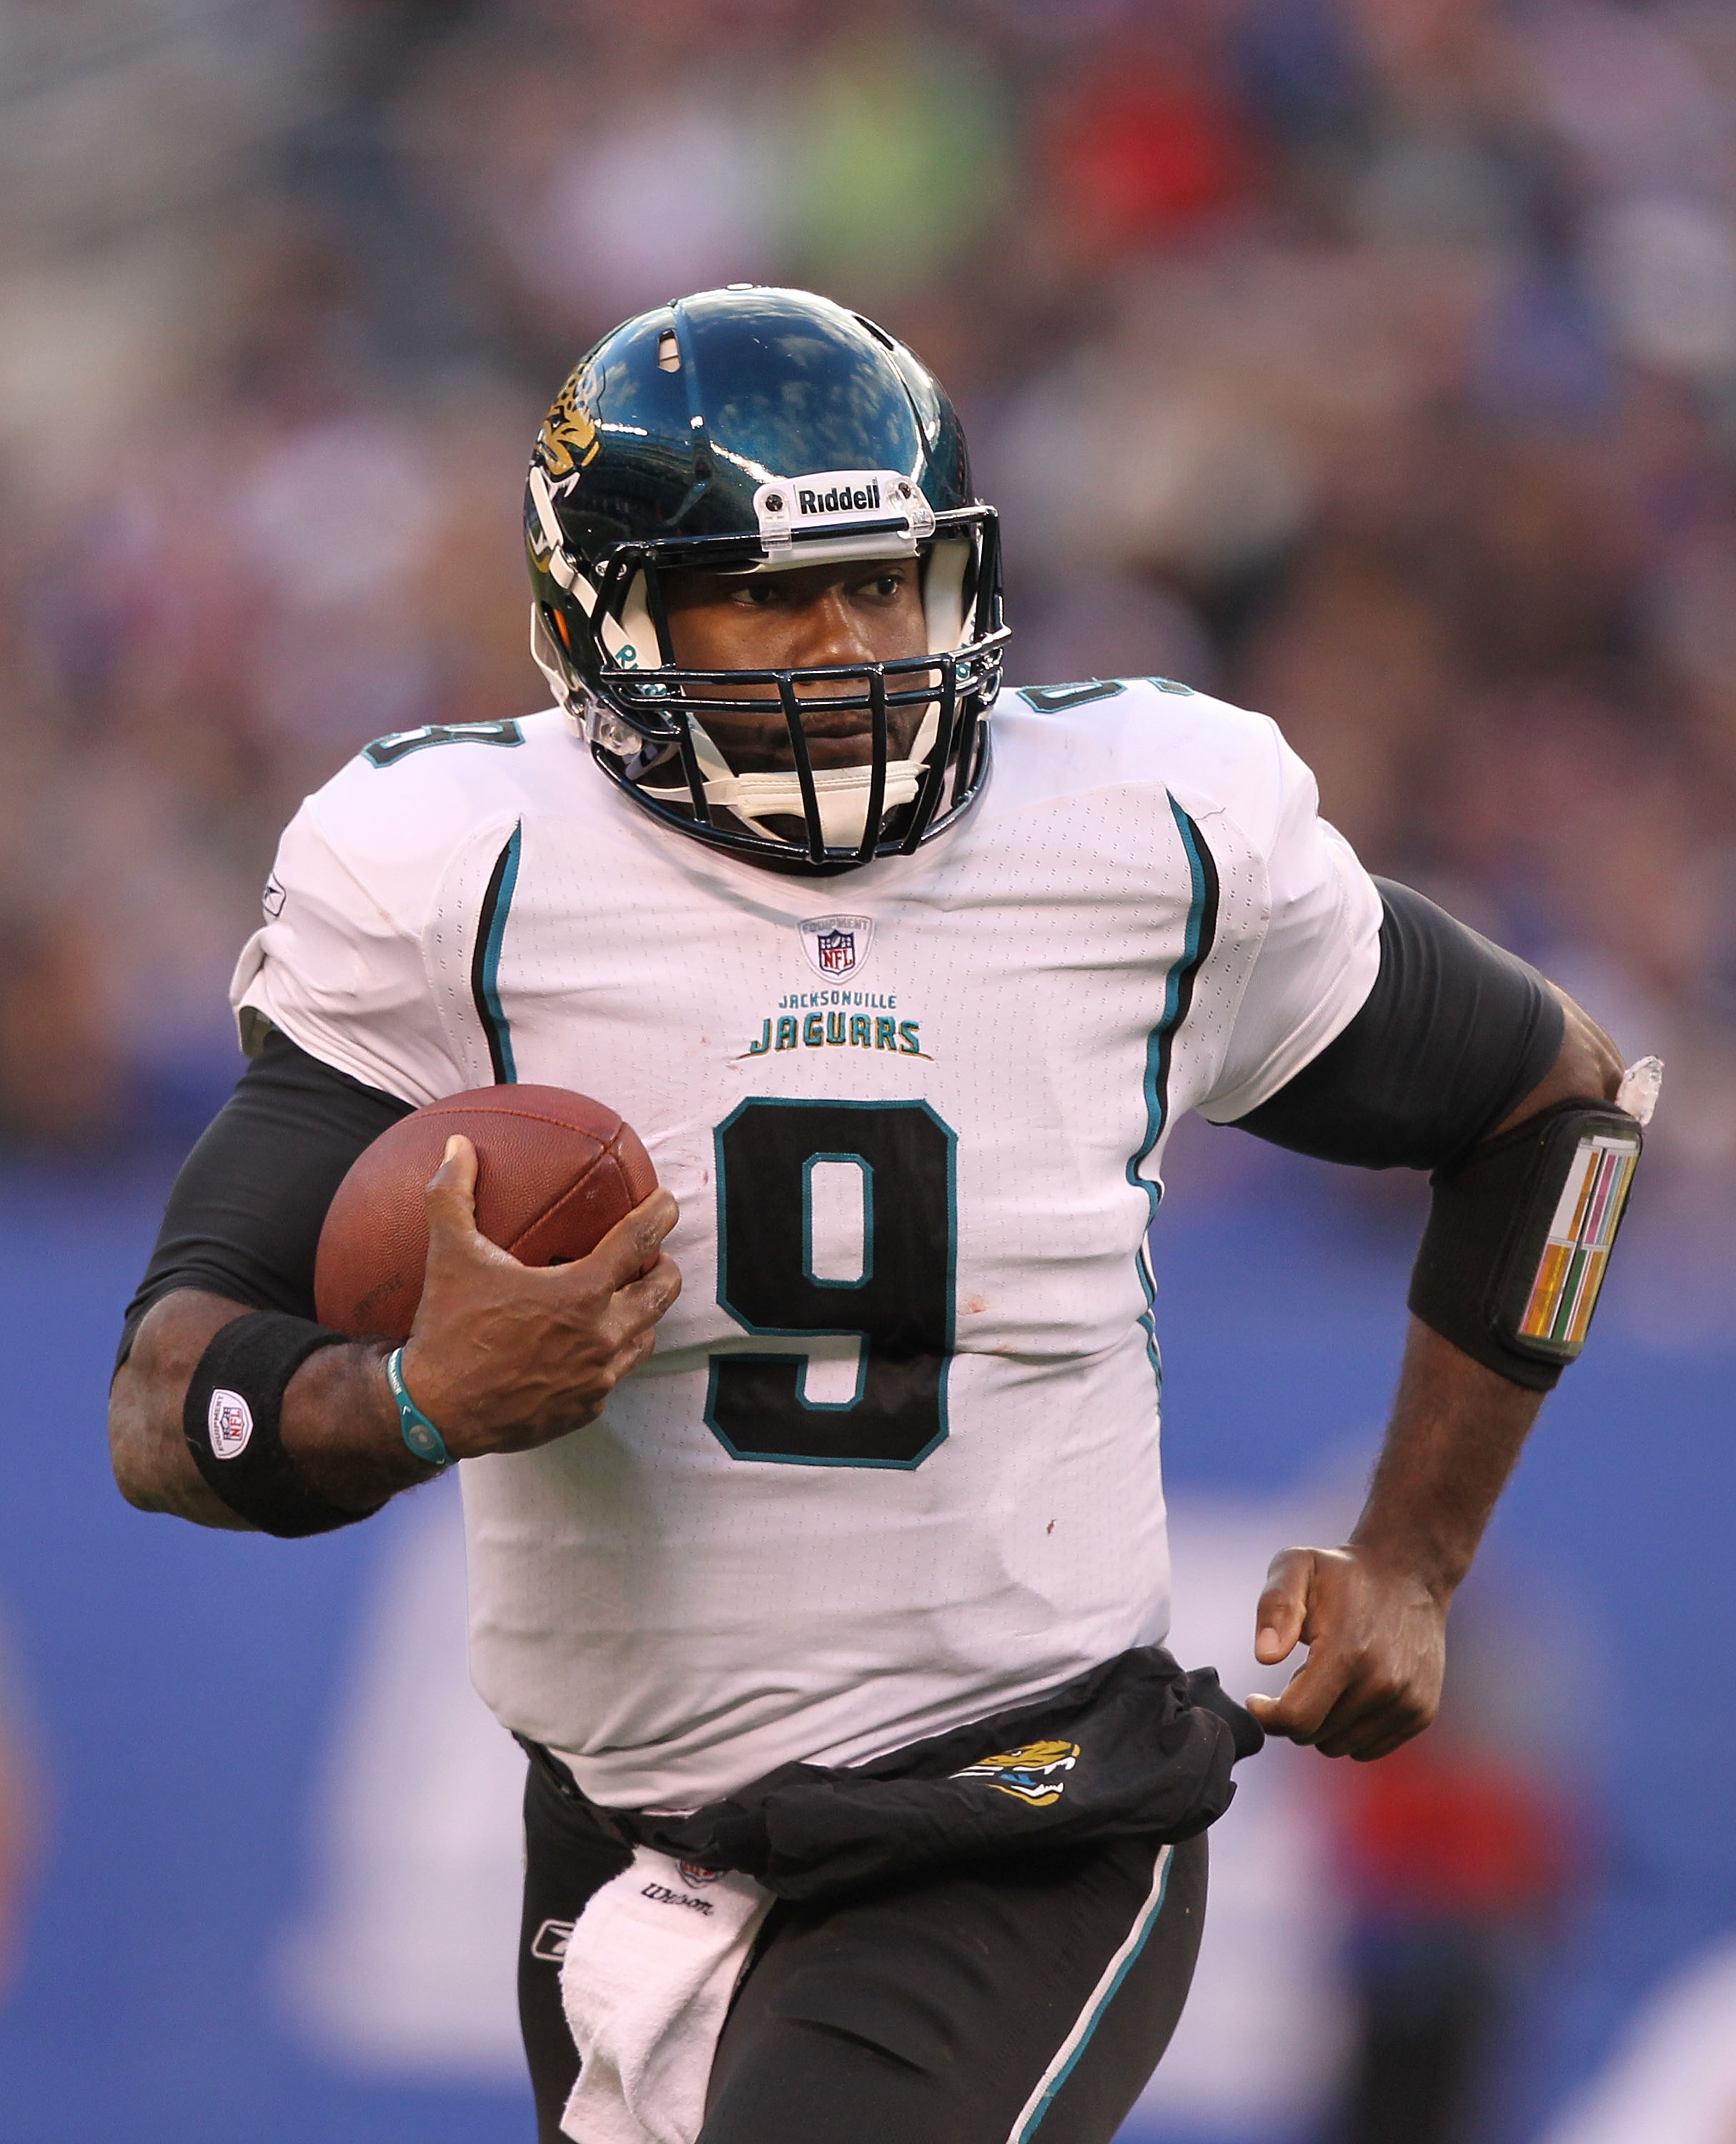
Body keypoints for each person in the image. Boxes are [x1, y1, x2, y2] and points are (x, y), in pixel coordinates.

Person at [108, 287, 1642, 2144]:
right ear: (608, 620)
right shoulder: (464, 876)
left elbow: (1564, 1106)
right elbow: (173, 1399)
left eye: (887, 583)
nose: (848, 649)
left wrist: (1415, 1555)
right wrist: (417, 1395)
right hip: (611, 1835)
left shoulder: (1145, 833)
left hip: (1017, 1813)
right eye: (769, 593)